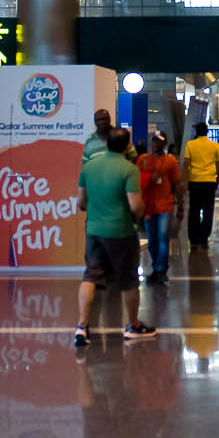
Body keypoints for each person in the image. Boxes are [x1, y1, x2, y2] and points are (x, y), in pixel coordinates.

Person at [74, 128, 154, 346]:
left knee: (91, 276)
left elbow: (81, 202)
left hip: (93, 231)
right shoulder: (129, 169)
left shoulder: (88, 167)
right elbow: (135, 205)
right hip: (121, 231)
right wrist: (139, 216)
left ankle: (82, 326)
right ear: (127, 147)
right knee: (128, 280)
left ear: (107, 143)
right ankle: (133, 325)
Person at [139, 132, 184, 286]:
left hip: (165, 205)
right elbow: (136, 181)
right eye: (155, 141)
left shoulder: (170, 161)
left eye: (160, 142)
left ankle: (160, 270)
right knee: (152, 240)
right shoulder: (143, 160)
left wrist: (181, 206)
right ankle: (156, 268)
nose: (157, 144)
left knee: (163, 237)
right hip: (148, 207)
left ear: (165, 144)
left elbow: (177, 184)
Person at [183, 121, 219, 249]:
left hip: (194, 181)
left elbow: (186, 164)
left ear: (196, 132)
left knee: (194, 209)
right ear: (207, 132)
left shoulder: (190, 144)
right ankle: (204, 236)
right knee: (208, 209)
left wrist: (185, 181)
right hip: (209, 181)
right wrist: (217, 179)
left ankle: (193, 237)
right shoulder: (215, 145)